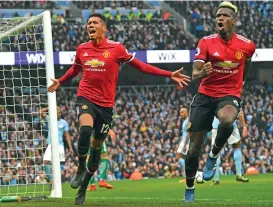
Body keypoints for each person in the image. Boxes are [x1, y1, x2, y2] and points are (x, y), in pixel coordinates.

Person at [47, 13, 190, 205]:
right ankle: (80, 167)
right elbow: (75, 69)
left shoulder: (116, 48)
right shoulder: (82, 49)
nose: (90, 25)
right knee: (85, 129)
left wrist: (169, 73)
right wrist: (61, 81)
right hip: (86, 97)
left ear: (103, 28)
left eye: (94, 22)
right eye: (88, 23)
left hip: (106, 105)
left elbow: (140, 66)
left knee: (97, 147)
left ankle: (83, 186)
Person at [183, 2, 255, 202]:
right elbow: (195, 71)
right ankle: (189, 187)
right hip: (205, 95)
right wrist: (201, 72)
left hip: (229, 94)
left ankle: (213, 156)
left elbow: (247, 62)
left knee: (227, 120)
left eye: (224, 15)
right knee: (193, 151)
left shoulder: (247, 45)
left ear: (234, 21)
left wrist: (241, 82)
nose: (219, 19)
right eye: (217, 16)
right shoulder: (206, 42)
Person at [40, 107, 73, 196]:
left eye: (59, 112)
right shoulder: (50, 119)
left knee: (57, 165)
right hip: (50, 145)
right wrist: (50, 107)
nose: (58, 114)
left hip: (59, 146)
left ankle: (56, 187)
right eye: (57, 112)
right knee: (45, 162)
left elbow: (67, 135)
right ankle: (51, 179)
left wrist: (70, 147)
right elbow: (40, 112)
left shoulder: (64, 123)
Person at [211, 110, 249, 185]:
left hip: (216, 125)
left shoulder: (214, 98)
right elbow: (239, 111)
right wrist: (244, 125)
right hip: (231, 124)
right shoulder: (233, 97)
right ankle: (239, 174)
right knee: (237, 147)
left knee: (216, 151)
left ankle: (216, 179)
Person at [176, 107, 190, 182]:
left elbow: (189, 133)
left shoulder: (189, 121)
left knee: (181, 157)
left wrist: (185, 144)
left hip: (186, 142)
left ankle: (187, 177)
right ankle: (187, 175)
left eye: (182, 112)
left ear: (186, 112)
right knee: (180, 157)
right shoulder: (184, 121)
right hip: (184, 141)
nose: (180, 114)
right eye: (180, 112)